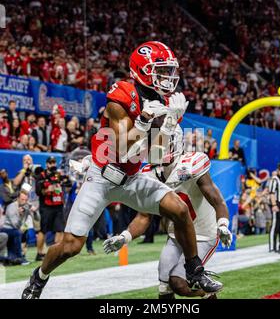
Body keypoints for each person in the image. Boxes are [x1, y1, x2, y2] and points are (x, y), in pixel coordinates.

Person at [22, 41, 222, 299]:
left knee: (179, 210)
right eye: (160, 71)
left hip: (131, 177)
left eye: (169, 71)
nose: (167, 78)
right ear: (142, 70)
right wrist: (144, 121)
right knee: (70, 246)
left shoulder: (163, 102)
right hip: (101, 176)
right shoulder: (122, 95)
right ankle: (39, 278)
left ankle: (195, 269)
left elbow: (155, 155)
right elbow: (122, 146)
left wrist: (168, 124)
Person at [104, 127, 231, 299]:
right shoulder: (148, 173)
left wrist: (222, 224)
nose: (157, 148)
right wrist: (124, 237)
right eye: (154, 143)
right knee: (164, 285)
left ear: (175, 142)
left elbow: (217, 200)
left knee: (178, 283)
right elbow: (144, 216)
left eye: (162, 142)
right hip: (176, 235)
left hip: (203, 233)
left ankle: (208, 294)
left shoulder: (192, 163)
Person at [34, 156, 67, 261]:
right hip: (46, 206)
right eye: (50, 162)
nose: (53, 164)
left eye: (54, 162)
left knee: (60, 229)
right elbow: (38, 192)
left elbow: (64, 184)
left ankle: (57, 253)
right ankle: (39, 253)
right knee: (43, 230)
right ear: (47, 164)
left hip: (58, 205)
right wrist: (48, 189)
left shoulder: (57, 174)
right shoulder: (41, 175)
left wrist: (60, 185)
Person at [0, 191, 31, 265]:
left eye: (26, 200)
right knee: (17, 233)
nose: (24, 202)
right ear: (18, 198)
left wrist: (34, 211)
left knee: (26, 233)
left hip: (15, 228)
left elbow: (28, 220)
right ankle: (19, 257)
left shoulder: (25, 207)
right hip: (6, 228)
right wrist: (20, 215)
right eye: (22, 199)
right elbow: (15, 225)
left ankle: (14, 257)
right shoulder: (11, 207)